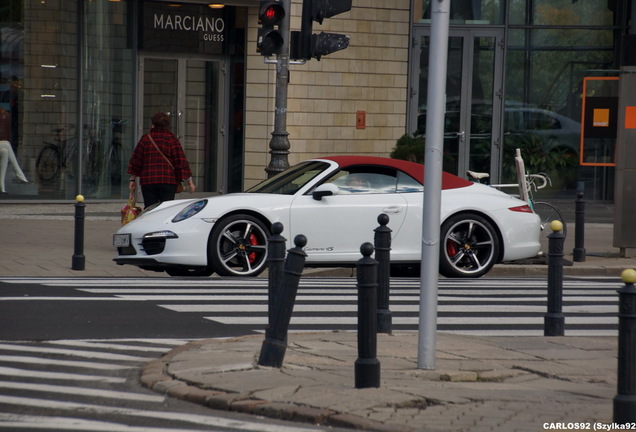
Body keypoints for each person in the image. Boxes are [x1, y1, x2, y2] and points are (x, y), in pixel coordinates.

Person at [127, 112, 195, 208]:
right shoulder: (172, 139)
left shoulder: (145, 139)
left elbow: (136, 160)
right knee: (165, 210)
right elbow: (181, 161)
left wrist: (132, 179)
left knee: (150, 209)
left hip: (148, 180)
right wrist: (190, 182)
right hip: (168, 180)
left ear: (153, 124)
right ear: (167, 125)